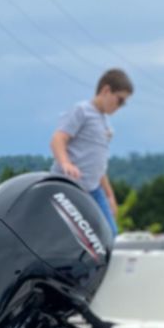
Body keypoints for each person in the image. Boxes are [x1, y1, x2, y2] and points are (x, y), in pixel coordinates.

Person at [49, 69, 132, 229]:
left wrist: (110, 196)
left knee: (109, 232)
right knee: (68, 230)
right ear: (106, 90)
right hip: (69, 185)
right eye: (120, 100)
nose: (120, 106)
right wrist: (66, 163)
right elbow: (58, 139)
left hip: (94, 188)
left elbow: (98, 164)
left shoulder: (106, 124)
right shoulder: (82, 111)